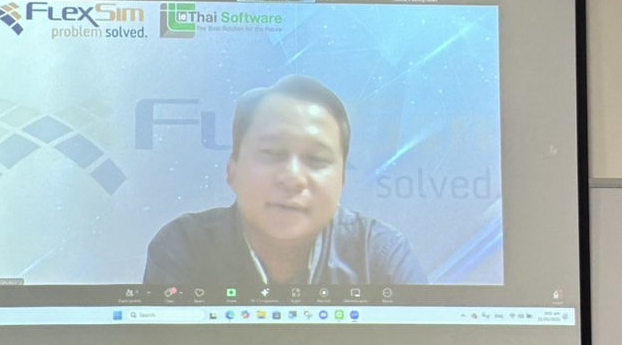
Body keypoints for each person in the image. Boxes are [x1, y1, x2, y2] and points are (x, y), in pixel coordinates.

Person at [143, 75, 426, 288]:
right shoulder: (184, 246)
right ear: (232, 171)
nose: (292, 179)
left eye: (316, 159)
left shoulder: (378, 255)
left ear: (342, 180)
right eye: (271, 153)